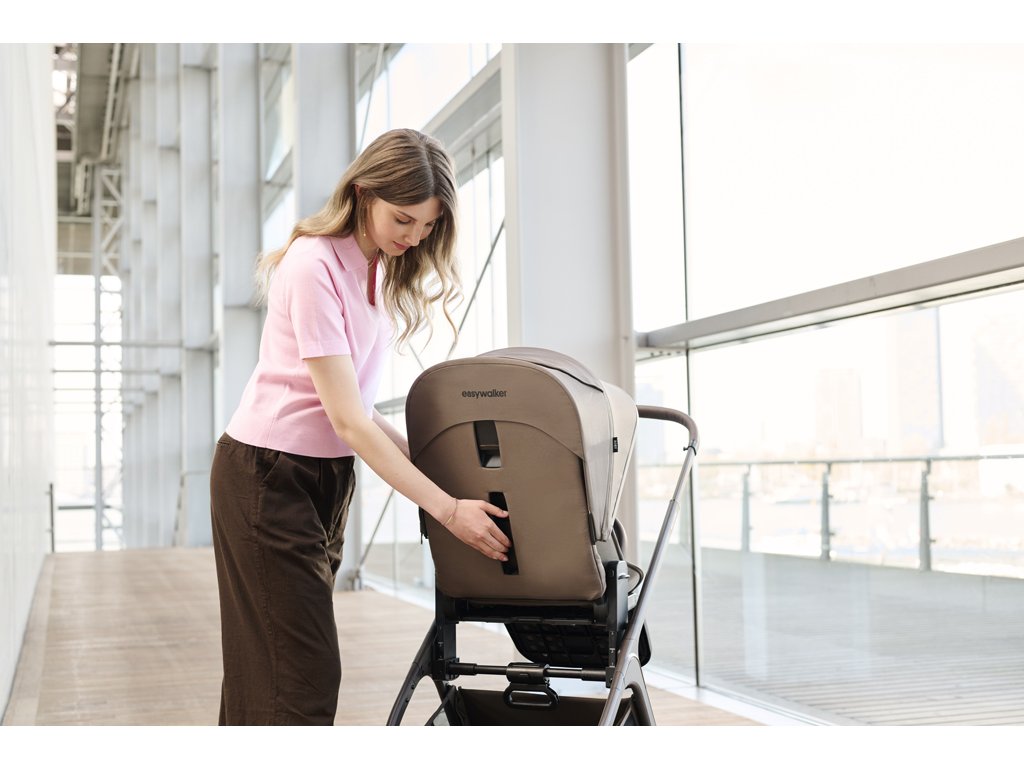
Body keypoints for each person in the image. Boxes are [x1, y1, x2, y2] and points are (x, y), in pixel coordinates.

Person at [209, 128, 511, 726]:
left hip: (324, 480)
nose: (414, 237)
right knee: (299, 676)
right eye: (403, 219)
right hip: (268, 477)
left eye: (426, 226)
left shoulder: (375, 267)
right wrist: (447, 509)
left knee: (272, 670)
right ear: (364, 193)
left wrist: (438, 471)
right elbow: (347, 420)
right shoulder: (313, 264)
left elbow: (358, 405)